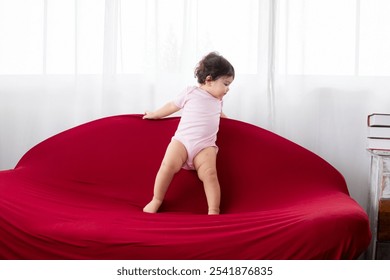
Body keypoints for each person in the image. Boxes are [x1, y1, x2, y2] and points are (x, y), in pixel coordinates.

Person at [143, 52, 235, 215]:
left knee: (211, 174)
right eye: (226, 84)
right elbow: (172, 105)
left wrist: (235, 124)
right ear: (209, 80)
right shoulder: (190, 92)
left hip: (205, 147)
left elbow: (221, 116)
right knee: (167, 166)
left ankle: (213, 209)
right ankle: (156, 199)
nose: (228, 89)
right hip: (182, 142)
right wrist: (155, 114)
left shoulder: (218, 101)